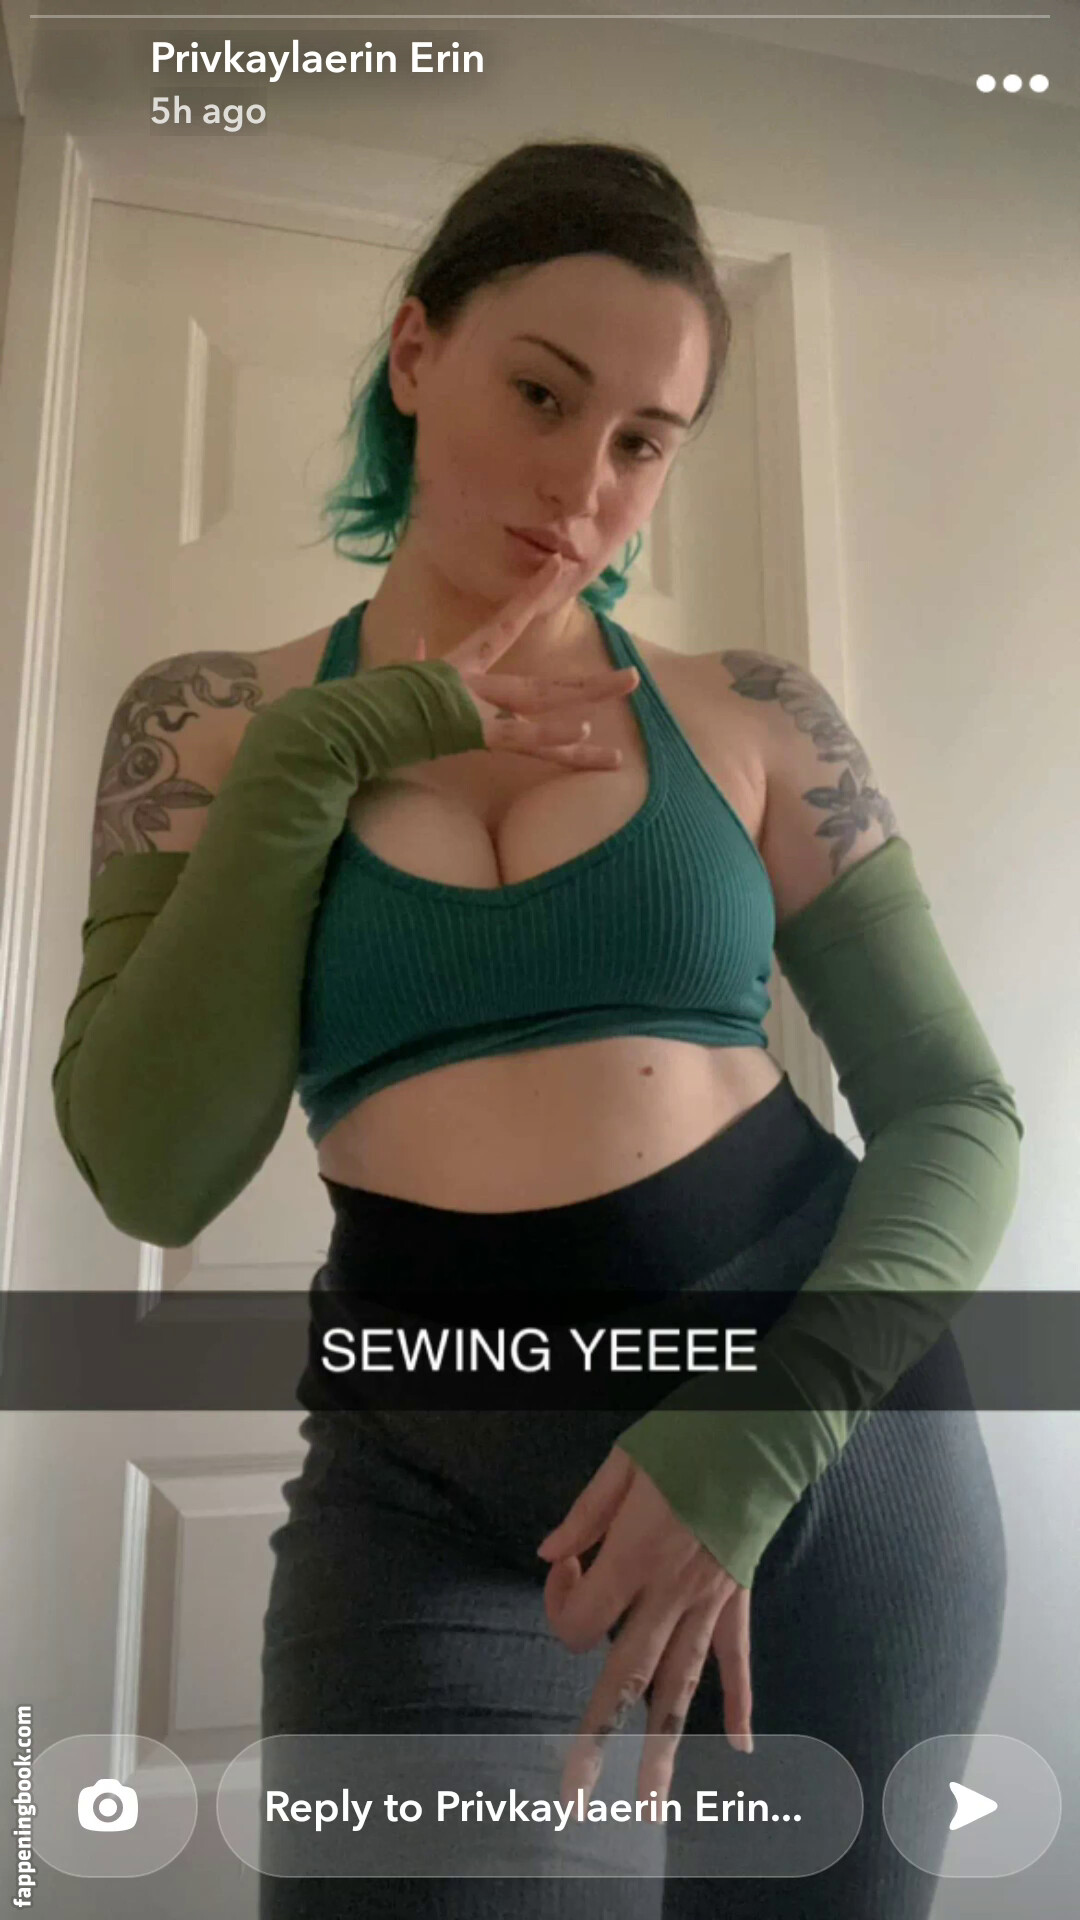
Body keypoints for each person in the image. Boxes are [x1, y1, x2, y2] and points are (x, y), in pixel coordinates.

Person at [52, 142, 1022, 1917]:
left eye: (645, 441)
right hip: (429, 1476)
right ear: (418, 353)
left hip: (812, 1444)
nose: (585, 485)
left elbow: (962, 1113)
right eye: (543, 395)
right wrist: (320, 758)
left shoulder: (755, 716)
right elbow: (152, 1167)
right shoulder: (214, 723)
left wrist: (762, 1433)